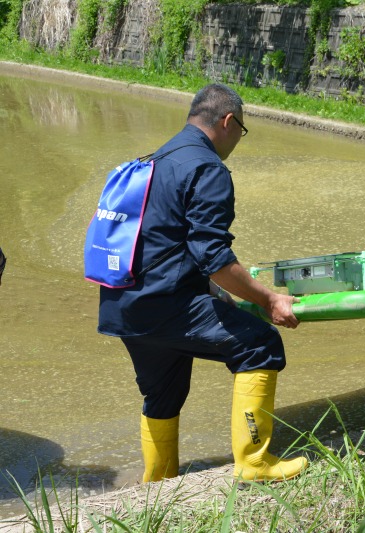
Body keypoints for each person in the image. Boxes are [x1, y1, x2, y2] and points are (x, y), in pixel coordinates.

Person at [96, 83, 308, 483]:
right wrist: (268, 299)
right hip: (167, 303)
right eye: (241, 130)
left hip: (124, 304)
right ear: (228, 122)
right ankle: (254, 463)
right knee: (260, 345)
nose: (237, 141)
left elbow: (160, 241)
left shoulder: (156, 158)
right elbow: (213, 257)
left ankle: (156, 481)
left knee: (163, 391)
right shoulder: (207, 168)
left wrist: (212, 291)